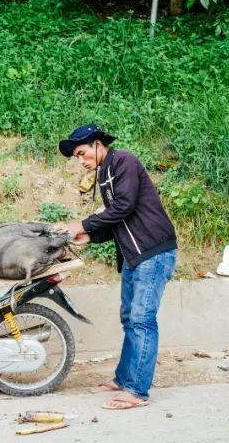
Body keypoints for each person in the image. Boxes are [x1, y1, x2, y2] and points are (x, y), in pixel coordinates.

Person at [57, 125, 177, 411]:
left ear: (98, 144)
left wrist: (83, 224)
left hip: (154, 252)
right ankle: (124, 379)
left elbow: (124, 206)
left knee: (141, 319)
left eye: (82, 153)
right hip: (134, 256)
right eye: (76, 156)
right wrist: (92, 235)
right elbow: (120, 220)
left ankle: (137, 390)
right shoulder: (106, 174)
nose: (81, 161)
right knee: (129, 318)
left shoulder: (124, 160)